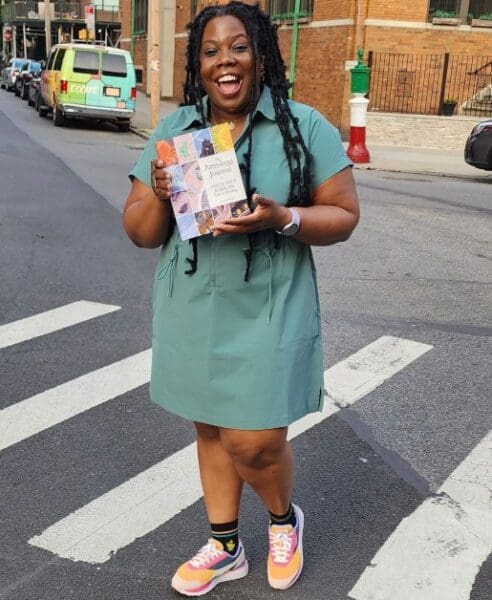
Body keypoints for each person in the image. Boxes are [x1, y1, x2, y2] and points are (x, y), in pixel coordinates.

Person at [123, 1, 359, 596]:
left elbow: (344, 215)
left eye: (237, 47)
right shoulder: (176, 132)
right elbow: (141, 232)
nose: (224, 61)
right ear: (196, 64)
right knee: (211, 430)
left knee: (253, 441)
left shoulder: (305, 127)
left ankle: (284, 521)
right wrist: (157, 190)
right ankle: (225, 545)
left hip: (271, 306)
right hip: (194, 306)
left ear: (260, 56)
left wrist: (283, 218)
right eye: (209, 51)